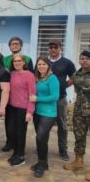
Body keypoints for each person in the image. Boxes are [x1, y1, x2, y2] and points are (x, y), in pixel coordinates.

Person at [29, 56, 60, 178]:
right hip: (38, 113)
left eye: (44, 64)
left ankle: (41, 165)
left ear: (48, 65)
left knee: (40, 138)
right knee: (42, 139)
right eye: (39, 64)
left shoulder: (52, 78)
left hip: (49, 113)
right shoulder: (38, 79)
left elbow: (55, 96)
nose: (41, 66)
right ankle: (43, 163)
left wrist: (38, 99)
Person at [2, 37, 34, 152]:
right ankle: (9, 142)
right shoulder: (4, 59)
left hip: (22, 101)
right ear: (9, 46)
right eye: (12, 44)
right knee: (8, 125)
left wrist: (30, 109)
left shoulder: (28, 59)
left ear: (21, 46)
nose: (14, 46)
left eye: (17, 44)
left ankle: (18, 149)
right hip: (9, 98)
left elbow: (31, 80)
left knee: (19, 128)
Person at [47, 39, 76, 161]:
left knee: (62, 125)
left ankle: (63, 150)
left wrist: (64, 85)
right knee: (44, 125)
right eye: (51, 47)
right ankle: (41, 146)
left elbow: (75, 76)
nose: (53, 49)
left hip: (60, 99)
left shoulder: (67, 62)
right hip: (46, 99)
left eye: (56, 47)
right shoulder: (44, 61)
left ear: (60, 48)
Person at [64, 50, 90, 181]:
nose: (84, 60)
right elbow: (68, 83)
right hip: (79, 110)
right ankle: (78, 161)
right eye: (82, 58)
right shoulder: (78, 73)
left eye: (87, 58)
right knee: (79, 135)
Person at [7, 54, 36, 166]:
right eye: (15, 61)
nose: (17, 63)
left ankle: (21, 155)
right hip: (11, 107)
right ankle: (15, 152)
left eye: (19, 61)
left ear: (24, 62)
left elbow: (32, 94)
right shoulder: (12, 74)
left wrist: (29, 111)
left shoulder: (29, 75)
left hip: (22, 108)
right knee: (10, 131)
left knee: (20, 133)